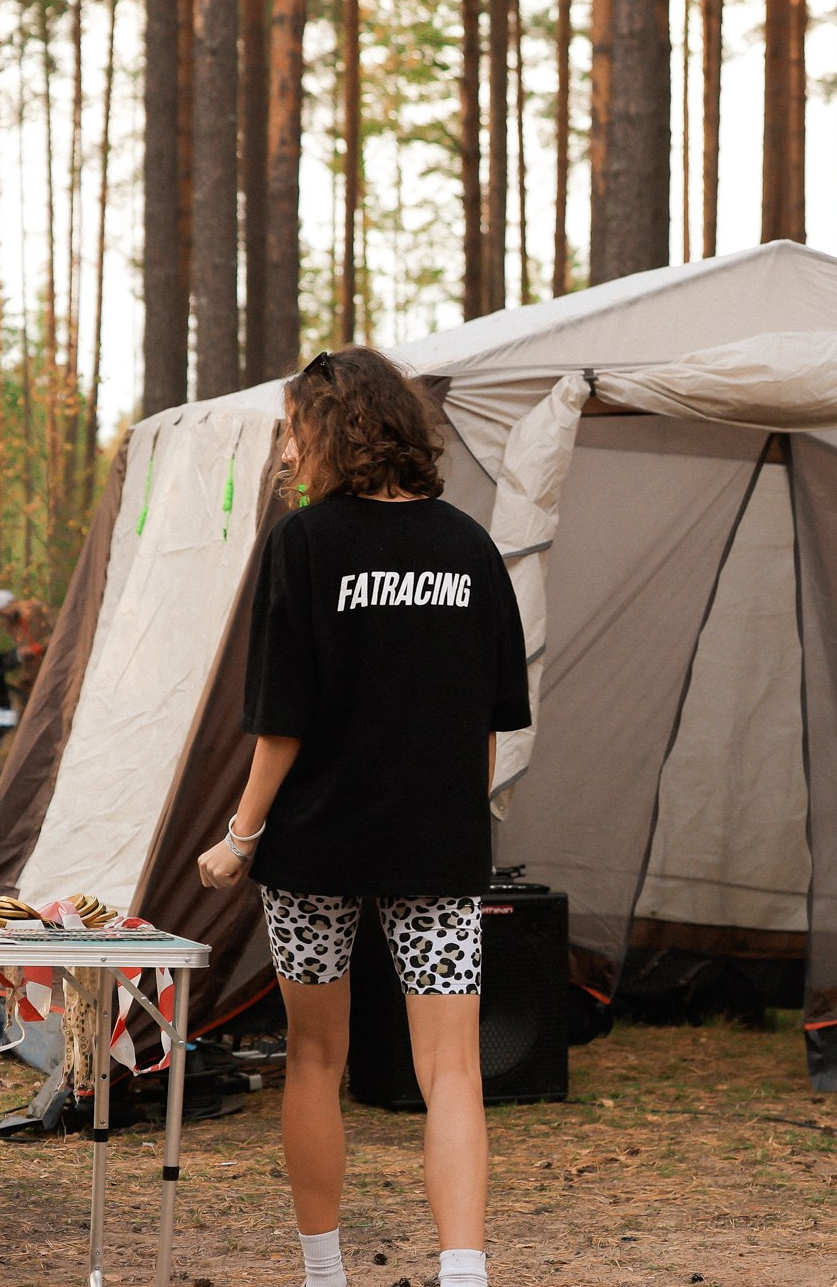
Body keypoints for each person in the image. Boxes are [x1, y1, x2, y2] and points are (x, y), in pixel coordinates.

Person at [197, 347, 530, 1287]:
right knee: (453, 1070)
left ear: (331, 430)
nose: (288, 449)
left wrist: (240, 839)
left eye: (295, 429)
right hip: (438, 849)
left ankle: (323, 1273)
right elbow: (495, 721)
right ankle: (464, 1273)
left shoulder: (303, 545)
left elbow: (281, 724)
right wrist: (461, 821)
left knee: (313, 1055)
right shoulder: (469, 546)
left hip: (314, 851)